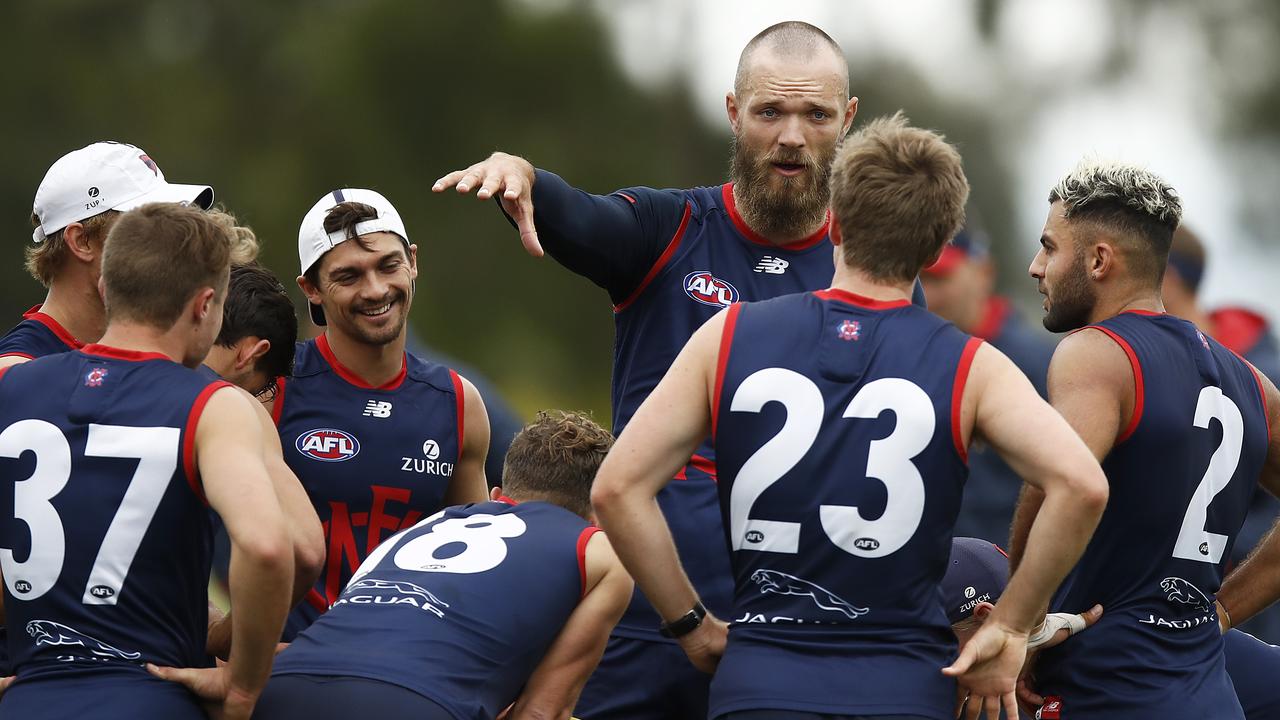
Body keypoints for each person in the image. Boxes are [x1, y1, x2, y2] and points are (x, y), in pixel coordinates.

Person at [435, 21, 924, 719]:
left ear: (846, 119)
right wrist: (527, 178)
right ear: (733, 112)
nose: (791, 136)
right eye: (769, 112)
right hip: (643, 620)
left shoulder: (878, 273)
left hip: (801, 626)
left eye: (815, 114)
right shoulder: (669, 229)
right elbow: (583, 219)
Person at [592, 114, 1108, 720]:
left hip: (762, 680)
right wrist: (1014, 627)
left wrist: (692, 625)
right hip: (900, 688)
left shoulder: (729, 334)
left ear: (831, 219)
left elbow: (617, 487)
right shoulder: (973, 365)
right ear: (939, 245)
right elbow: (1081, 485)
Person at [0, 203, 292, 719]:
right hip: (149, 694)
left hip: (31, 696)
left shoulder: (11, 381)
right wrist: (243, 683)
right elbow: (271, 547)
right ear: (205, 306)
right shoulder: (212, 402)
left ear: (108, 290)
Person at [1011, 160, 1280, 719]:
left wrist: (1016, 629)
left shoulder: (1096, 354)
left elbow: (1061, 484)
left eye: (1049, 247)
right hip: (1210, 698)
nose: (1036, 267)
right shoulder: (1252, 383)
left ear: (1099, 260)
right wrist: (1220, 613)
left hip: (1104, 689)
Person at [255, 411, 632, 719]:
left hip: (282, 689)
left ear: (497, 496)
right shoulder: (596, 547)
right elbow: (541, 713)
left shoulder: (428, 526)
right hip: (412, 701)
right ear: (599, 517)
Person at [273, 188, 490, 639]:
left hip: (404, 671)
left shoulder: (458, 402)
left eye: (388, 265)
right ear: (310, 288)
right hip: (290, 672)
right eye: (348, 276)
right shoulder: (273, 386)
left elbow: (476, 568)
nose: (375, 290)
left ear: (413, 262)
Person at [1162, 225, 1280, 642]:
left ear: (1169, 281)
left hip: (1252, 608)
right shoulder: (1140, 368)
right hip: (1161, 616)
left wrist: (1226, 593)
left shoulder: (1266, 375)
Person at [0, 141, 214, 367]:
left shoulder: (161, 350)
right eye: (146, 225)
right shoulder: (15, 370)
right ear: (82, 242)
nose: (170, 240)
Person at [921, 229, 1056, 543]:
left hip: (998, 566)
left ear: (983, 273)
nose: (927, 296)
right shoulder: (909, 349)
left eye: (939, 279)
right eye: (919, 280)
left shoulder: (1038, 363)